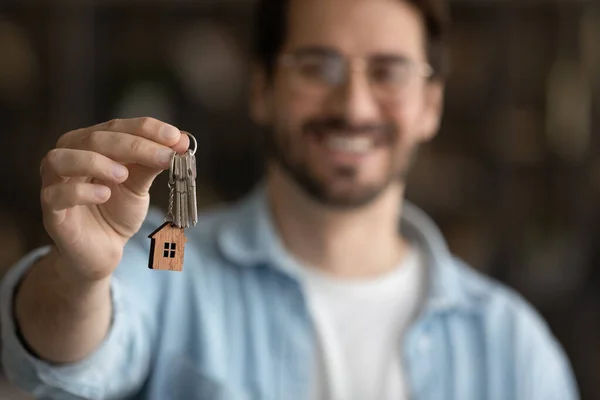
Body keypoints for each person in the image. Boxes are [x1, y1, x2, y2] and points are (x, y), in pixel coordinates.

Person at [0, 0, 579, 399]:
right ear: (261, 89)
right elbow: (68, 360)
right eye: (316, 66)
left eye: (389, 71)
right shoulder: (166, 265)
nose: (354, 106)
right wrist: (79, 278)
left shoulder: (510, 342)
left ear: (431, 104)